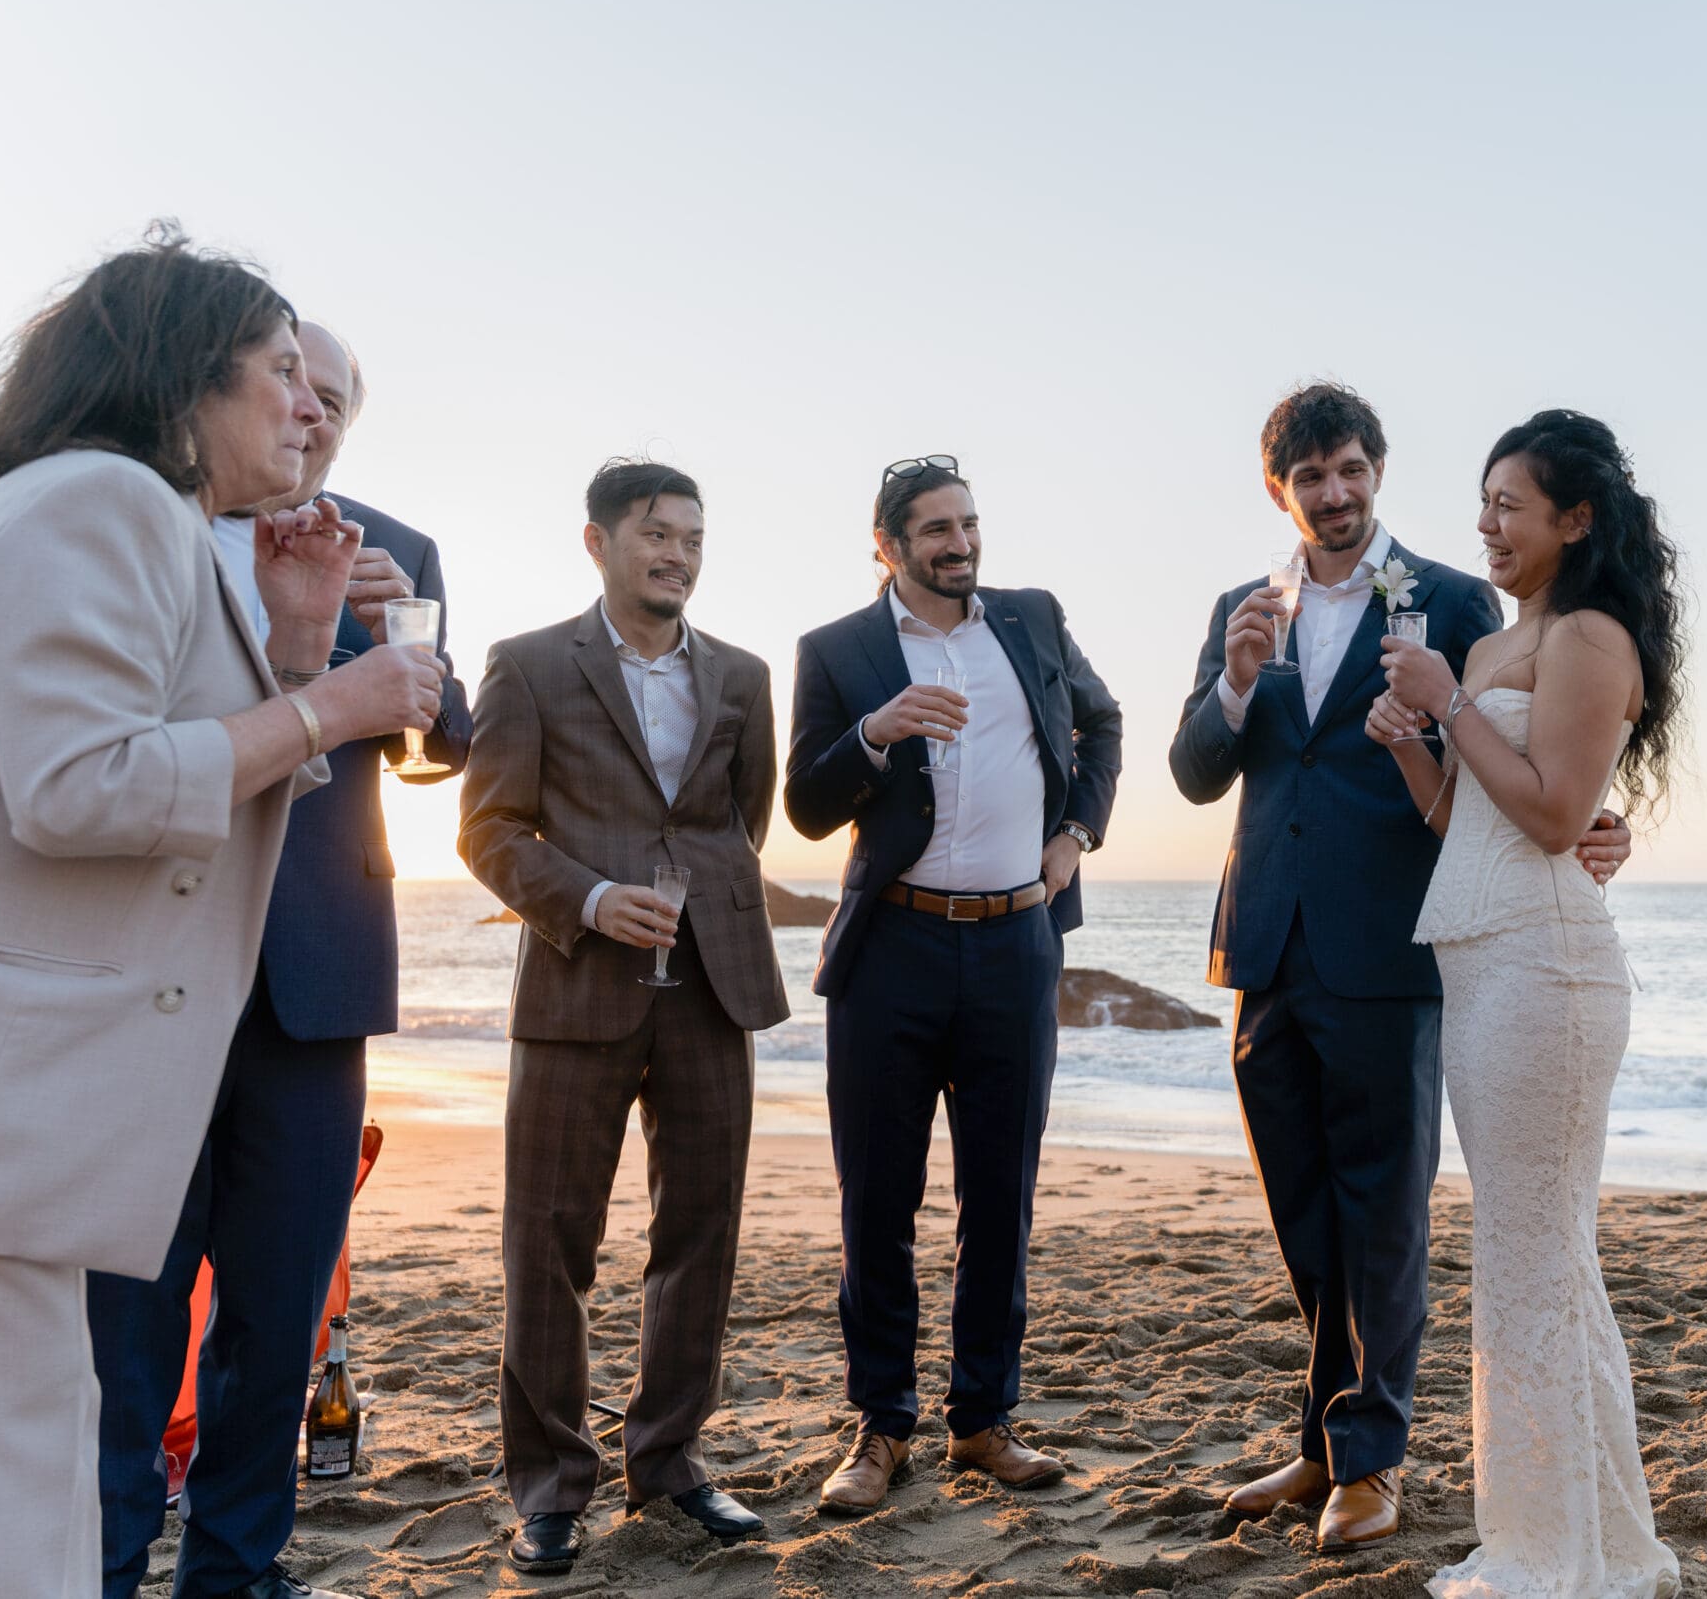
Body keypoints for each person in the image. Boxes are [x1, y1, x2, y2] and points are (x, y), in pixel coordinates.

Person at [0, 230, 442, 1598]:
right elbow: (78, 788)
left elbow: (137, 767)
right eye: (285, 372)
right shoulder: (99, 504)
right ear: (186, 377)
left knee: (8, 1493)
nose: (315, 408)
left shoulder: (111, 514)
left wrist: (293, 649)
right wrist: (333, 701)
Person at [1169, 382, 1630, 1552]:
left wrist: (1601, 823)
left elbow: (1529, 743)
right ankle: (1325, 1440)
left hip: (1394, 942)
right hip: (1266, 942)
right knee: (1303, 1210)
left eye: (1350, 471)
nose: (1333, 494)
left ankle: (1370, 1458)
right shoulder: (1242, 607)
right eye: (1310, 477)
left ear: (1376, 470)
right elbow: (1192, 772)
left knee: (1382, 1209)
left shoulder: (1456, 597)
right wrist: (1231, 681)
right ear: (1280, 488)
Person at [89, 322, 473, 1599]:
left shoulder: (394, 547)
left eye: (336, 396)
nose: (312, 408)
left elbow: (445, 739)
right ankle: (97, 1560)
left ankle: (239, 1570)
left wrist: (393, 648)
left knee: (279, 1303)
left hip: (318, 969)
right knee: (127, 1309)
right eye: (294, 381)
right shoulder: (152, 525)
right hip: (149, 966)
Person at [1368, 409, 1685, 1599]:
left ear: (1575, 519)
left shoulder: (1593, 637)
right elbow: (1468, 821)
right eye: (1484, 502)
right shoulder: (1507, 641)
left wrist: (1446, 705)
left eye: (1511, 504)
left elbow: (1556, 816)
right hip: (1482, 952)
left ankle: (1557, 1555)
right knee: (1533, 1257)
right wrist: (1411, 741)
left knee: (1533, 1256)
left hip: (1546, 973)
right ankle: (1585, 1539)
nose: (1488, 524)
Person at [458, 459, 792, 1574]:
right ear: (597, 541)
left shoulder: (743, 677)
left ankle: (670, 1460)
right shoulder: (529, 666)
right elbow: (490, 832)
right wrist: (595, 900)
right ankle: (550, 1484)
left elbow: (736, 823)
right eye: (657, 533)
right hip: (572, 985)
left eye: (694, 538)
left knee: (699, 1233)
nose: (679, 554)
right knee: (547, 1245)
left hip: (712, 986)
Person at [783, 455, 1123, 1515]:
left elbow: (1102, 724)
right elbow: (802, 799)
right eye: (933, 528)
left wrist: (1074, 837)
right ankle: (880, 1426)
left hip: (1017, 945)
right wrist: (875, 734)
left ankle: (981, 1421)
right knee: (877, 1201)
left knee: (999, 1199)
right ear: (886, 545)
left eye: (968, 523)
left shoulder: (1029, 619)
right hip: (893, 948)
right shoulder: (837, 650)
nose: (959, 543)